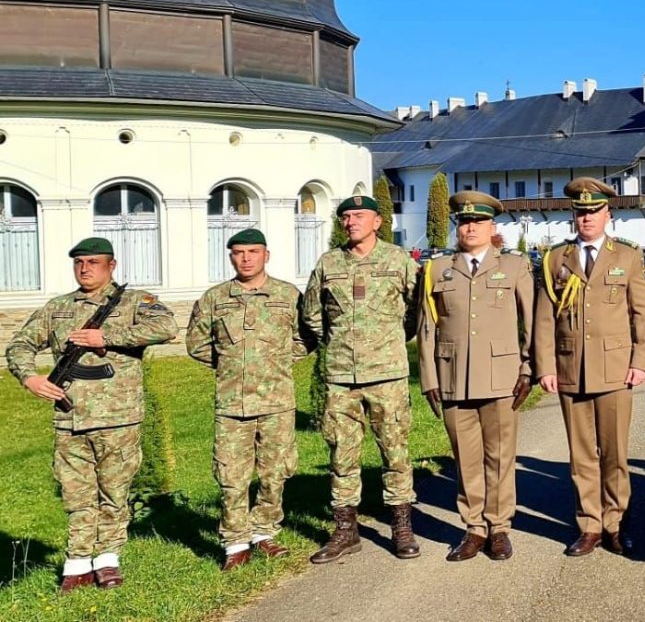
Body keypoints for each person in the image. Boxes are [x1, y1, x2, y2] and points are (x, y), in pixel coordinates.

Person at [5, 237, 176, 592]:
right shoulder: (58, 307)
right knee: (76, 494)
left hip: (118, 417)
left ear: (111, 266)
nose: (85, 269)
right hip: (70, 419)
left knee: (114, 491)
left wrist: (106, 337)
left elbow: (166, 328)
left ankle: (108, 559)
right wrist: (30, 377)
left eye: (93, 262)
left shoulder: (134, 302)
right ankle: (78, 563)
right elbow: (20, 344)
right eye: (79, 262)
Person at [532, 177, 645, 557]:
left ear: (607, 214)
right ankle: (589, 525)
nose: (586, 218)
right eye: (581, 212)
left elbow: (643, 314)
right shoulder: (556, 259)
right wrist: (545, 366)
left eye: (593, 211)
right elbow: (544, 319)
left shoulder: (628, 257)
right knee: (581, 454)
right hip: (571, 369)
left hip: (616, 370)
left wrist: (641, 362)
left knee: (614, 453)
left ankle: (616, 522)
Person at [302, 194, 422, 563]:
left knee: (395, 452)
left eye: (359, 216)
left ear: (377, 222)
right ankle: (345, 530)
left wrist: (389, 340)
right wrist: (341, 342)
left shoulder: (398, 260)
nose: (352, 222)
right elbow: (312, 315)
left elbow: (416, 310)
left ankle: (401, 527)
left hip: (388, 374)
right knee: (342, 455)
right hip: (341, 377)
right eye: (347, 217)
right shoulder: (329, 263)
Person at [418, 191, 533, 562]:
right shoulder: (437, 269)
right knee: (465, 458)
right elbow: (427, 327)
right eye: (464, 222)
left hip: (501, 378)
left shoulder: (514, 266)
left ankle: (499, 528)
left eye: (478, 222)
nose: (470, 228)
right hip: (453, 377)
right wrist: (429, 377)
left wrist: (528, 367)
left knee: (499, 457)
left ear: (491, 226)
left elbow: (532, 322)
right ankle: (474, 528)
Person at [186, 228, 308, 570]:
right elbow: (196, 344)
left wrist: (274, 362)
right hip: (232, 404)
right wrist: (231, 364)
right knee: (231, 475)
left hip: (277, 401)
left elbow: (305, 338)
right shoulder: (215, 298)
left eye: (253, 252)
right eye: (239, 253)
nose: (246, 258)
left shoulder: (287, 295)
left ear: (266, 255)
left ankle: (264, 531)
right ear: (231, 257)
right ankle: (235, 542)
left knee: (275, 472)